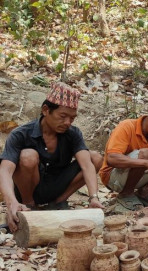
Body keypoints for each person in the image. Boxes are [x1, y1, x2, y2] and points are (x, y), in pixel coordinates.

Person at [0, 82, 104, 232]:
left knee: (95, 157)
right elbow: (5, 170)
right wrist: (11, 203)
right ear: (45, 110)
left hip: (56, 185)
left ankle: (58, 202)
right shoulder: (21, 134)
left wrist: (93, 197)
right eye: (63, 116)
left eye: (72, 118)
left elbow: (87, 165)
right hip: (28, 188)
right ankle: (29, 205)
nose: (68, 122)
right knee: (27, 156)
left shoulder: (73, 134)